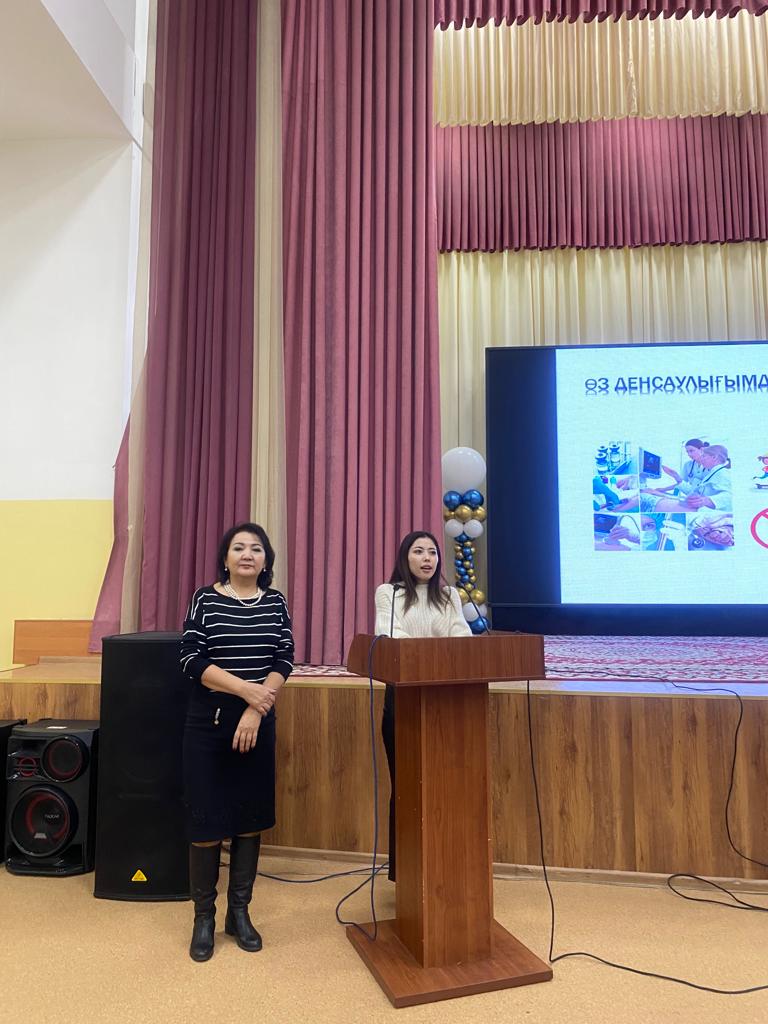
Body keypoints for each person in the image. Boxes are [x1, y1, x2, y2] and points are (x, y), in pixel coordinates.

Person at [180, 522, 294, 962]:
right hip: (208, 724)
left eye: (256, 549)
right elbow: (191, 659)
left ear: (266, 561)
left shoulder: (275, 602)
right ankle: (203, 918)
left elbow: (284, 658)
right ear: (225, 558)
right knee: (206, 822)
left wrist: (256, 707)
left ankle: (239, 913)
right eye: (239, 547)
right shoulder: (205, 599)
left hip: (257, 721)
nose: (248, 554)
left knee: (250, 819)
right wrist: (246, 691)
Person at [373, 531, 471, 880]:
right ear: (405, 558)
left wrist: (439, 655)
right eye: (419, 551)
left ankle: (445, 867)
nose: (427, 558)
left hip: (445, 701)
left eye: (432, 552)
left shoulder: (450, 596)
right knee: (407, 786)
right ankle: (405, 872)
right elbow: (392, 637)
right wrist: (436, 655)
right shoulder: (389, 593)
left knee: (445, 785)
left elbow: (462, 637)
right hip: (404, 699)